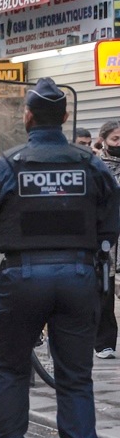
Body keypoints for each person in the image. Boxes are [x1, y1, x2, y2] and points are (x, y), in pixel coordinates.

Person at [0, 78, 120, 438]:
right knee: (75, 377)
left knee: (11, 371)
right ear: (66, 118)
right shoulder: (90, 165)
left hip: (24, 277)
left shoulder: (9, 164)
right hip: (78, 277)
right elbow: (111, 217)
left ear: (27, 116)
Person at [94, 120, 120, 359]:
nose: (119, 144)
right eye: (115, 139)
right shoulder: (95, 166)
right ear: (102, 140)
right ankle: (104, 343)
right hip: (106, 238)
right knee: (105, 290)